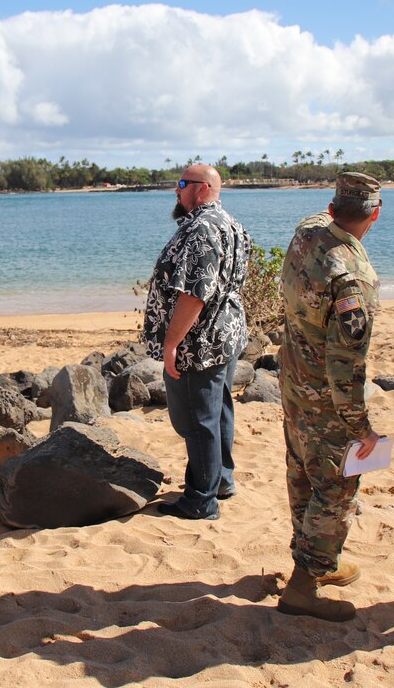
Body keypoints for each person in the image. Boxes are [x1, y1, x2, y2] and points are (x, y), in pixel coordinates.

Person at [276, 171, 383, 623]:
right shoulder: (353, 279)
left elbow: (322, 217)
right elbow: (347, 365)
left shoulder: (307, 232)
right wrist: (361, 428)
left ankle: (321, 562)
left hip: (294, 384)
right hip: (324, 398)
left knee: (302, 471)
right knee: (336, 489)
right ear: (375, 216)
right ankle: (304, 587)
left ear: (334, 207)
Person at [143, 164, 251, 521]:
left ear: (202, 189)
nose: (176, 190)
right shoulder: (229, 223)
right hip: (225, 333)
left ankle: (201, 500)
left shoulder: (203, 229)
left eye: (182, 184)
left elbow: (195, 294)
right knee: (217, 407)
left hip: (200, 340)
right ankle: (220, 481)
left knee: (197, 419)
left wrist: (172, 344)